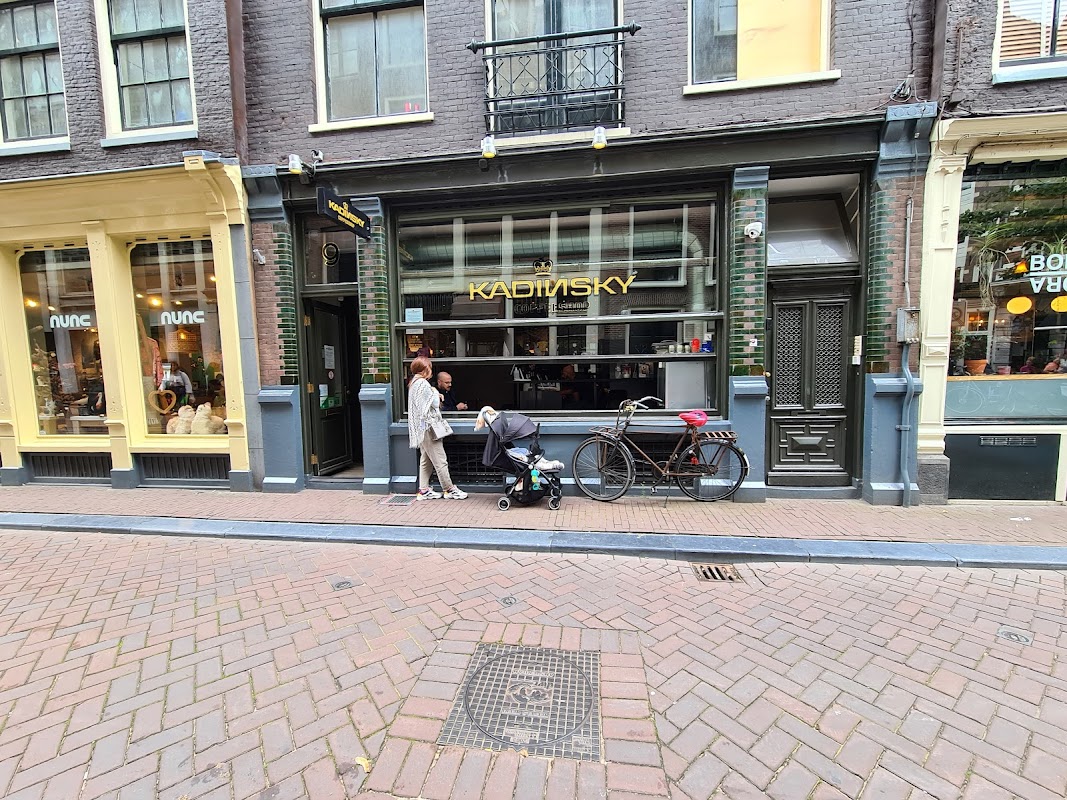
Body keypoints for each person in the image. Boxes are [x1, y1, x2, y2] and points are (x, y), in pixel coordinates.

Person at [408, 357, 467, 500]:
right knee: (441, 460)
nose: (431, 370)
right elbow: (433, 404)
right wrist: (435, 392)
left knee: (426, 460)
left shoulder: (414, 383)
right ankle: (449, 489)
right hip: (429, 427)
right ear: (425, 369)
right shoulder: (423, 384)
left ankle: (423, 490)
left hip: (421, 428)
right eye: (429, 367)